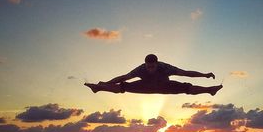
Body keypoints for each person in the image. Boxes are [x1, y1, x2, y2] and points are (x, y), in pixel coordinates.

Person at [84, 54, 223, 95]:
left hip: (165, 86)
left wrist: (205, 75)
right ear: (145, 64)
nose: (150, 69)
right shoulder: (140, 69)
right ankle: (98, 88)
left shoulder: (165, 67)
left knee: (187, 87)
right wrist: (106, 83)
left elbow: (186, 73)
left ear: (157, 64)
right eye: (148, 66)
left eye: (152, 66)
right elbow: (123, 77)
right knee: (123, 86)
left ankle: (210, 90)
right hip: (145, 86)